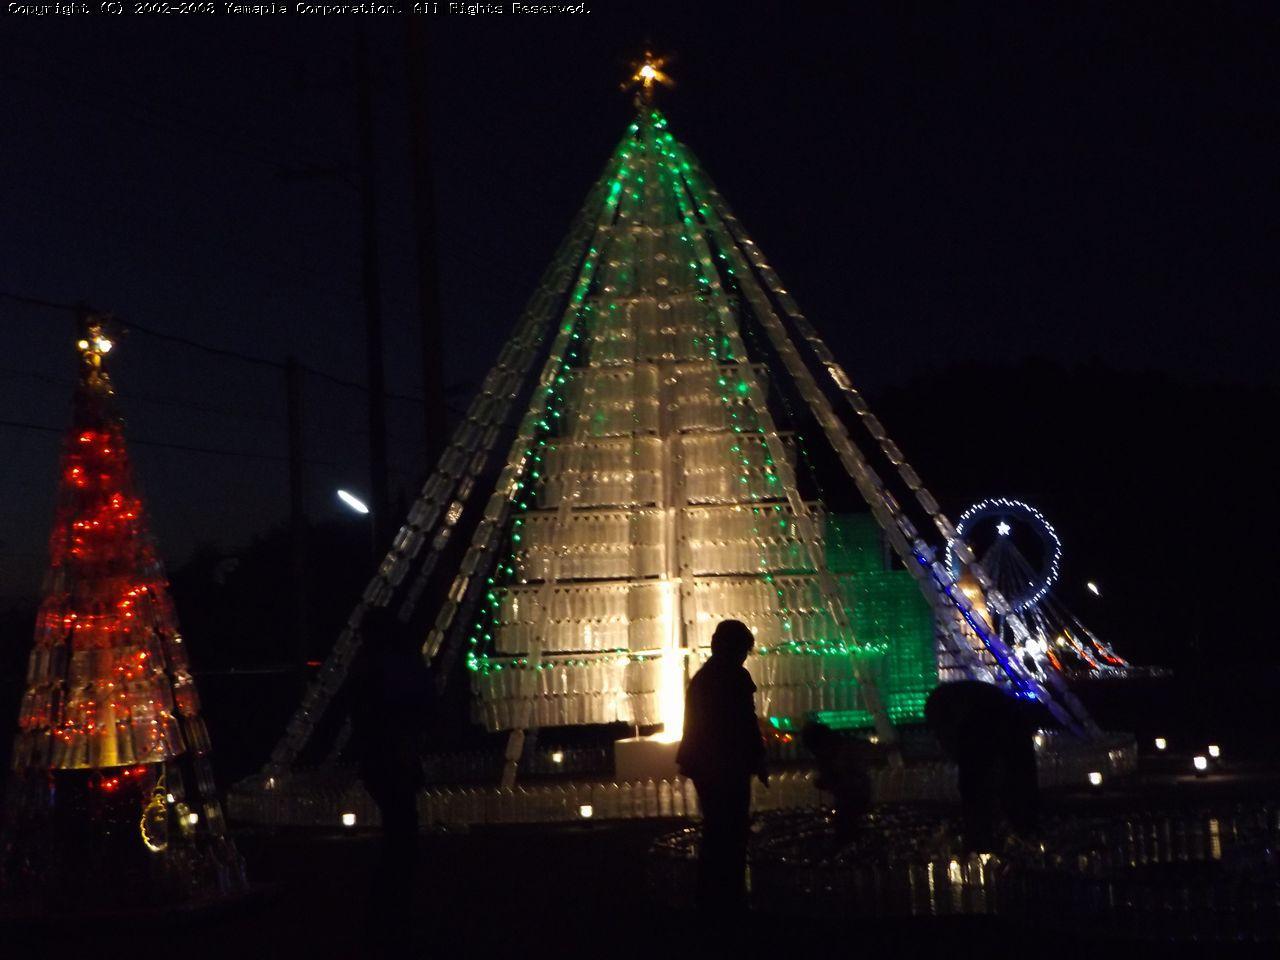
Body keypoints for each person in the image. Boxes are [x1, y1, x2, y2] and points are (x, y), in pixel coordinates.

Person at [676, 619, 768, 914]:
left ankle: (711, 893)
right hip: (728, 764)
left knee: (716, 828)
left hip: (705, 763)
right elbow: (745, 723)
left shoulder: (704, 678)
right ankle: (729, 893)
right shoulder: (734, 677)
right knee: (732, 828)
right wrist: (757, 758)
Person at [924, 680, 1044, 851]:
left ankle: (986, 839)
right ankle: (1010, 836)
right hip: (986, 726)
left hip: (981, 727)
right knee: (1000, 788)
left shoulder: (982, 721)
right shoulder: (1000, 718)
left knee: (980, 788)